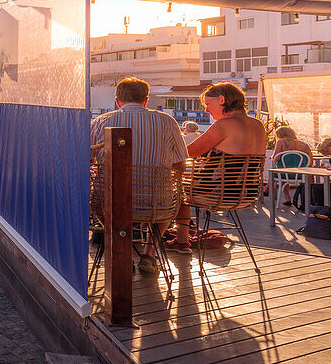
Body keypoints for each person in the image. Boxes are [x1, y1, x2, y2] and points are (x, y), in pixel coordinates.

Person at [90, 78, 186, 271]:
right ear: (146, 100)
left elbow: (88, 159)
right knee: (168, 203)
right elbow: (181, 166)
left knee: (100, 201)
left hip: (111, 204)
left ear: (117, 100)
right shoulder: (167, 121)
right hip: (157, 205)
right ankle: (149, 254)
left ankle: (121, 247)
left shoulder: (101, 121)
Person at [172, 82, 267, 250]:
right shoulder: (258, 125)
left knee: (176, 194)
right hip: (248, 192)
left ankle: (181, 242)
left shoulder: (223, 125)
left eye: (208, 104)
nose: (206, 110)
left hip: (217, 193)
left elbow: (188, 152)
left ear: (221, 99)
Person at [271, 126, 314, 205]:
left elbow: (275, 159)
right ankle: (309, 198)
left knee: (282, 169)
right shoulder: (305, 145)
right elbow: (310, 163)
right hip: (301, 175)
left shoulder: (281, 142)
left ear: (280, 135)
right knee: (308, 174)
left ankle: (287, 197)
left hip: (285, 174)